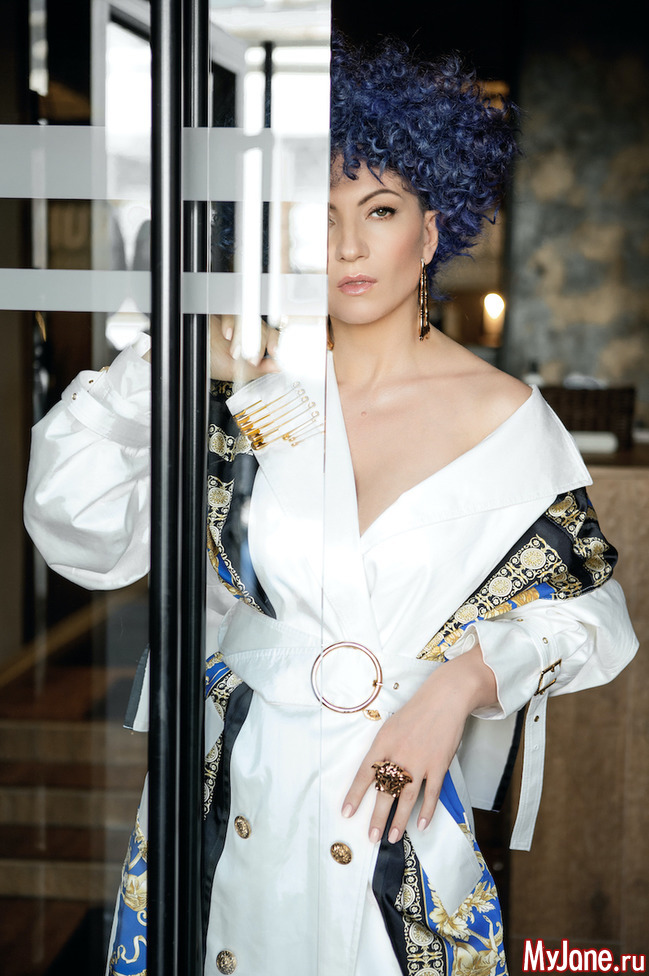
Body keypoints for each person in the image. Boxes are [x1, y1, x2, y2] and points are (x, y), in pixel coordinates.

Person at [23, 33, 637, 976]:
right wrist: (170, 362)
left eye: (380, 210)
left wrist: (459, 688)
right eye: (317, 216)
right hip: (231, 790)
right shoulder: (245, 395)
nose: (347, 245)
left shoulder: (506, 420)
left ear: (429, 231)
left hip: (395, 798)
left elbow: (588, 615)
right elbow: (80, 531)